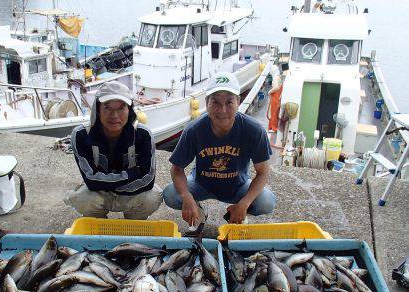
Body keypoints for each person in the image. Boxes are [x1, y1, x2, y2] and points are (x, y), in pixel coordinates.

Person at [163, 72, 276, 229]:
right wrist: (186, 196)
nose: (222, 110)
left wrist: (245, 203)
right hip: (200, 183)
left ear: (238, 101)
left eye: (229, 102)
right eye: (215, 102)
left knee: (266, 202)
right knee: (170, 194)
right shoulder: (194, 130)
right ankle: (198, 211)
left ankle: (237, 211)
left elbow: (263, 173)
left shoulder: (254, 130)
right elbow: (176, 169)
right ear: (206, 103)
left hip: (237, 186)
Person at [64, 81, 162, 219]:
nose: (114, 115)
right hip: (100, 194)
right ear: (98, 109)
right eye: (107, 107)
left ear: (130, 110)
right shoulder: (81, 134)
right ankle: (98, 225)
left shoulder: (143, 134)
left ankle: (133, 223)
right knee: (83, 199)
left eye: (121, 108)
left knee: (152, 198)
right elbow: (90, 180)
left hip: (126, 191)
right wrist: (131, 174)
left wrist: (111, 186)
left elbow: (148, 179)